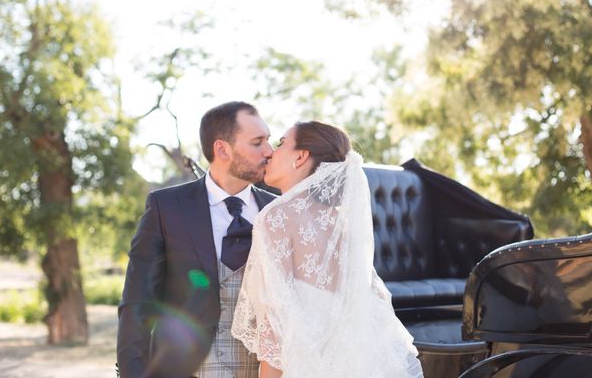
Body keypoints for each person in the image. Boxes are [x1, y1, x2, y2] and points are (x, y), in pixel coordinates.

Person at [232, 121, 424, 377]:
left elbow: (274, 327)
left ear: (300, 157)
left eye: (281, 144)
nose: (270, 152)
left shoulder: (276, 217)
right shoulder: (341, 225)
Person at [117, 101, 276, 378]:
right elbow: (137, 301)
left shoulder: (278, 211)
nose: (269, 151)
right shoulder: (165, 207)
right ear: (222, 149)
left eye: (269, 140)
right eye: (257, 142)